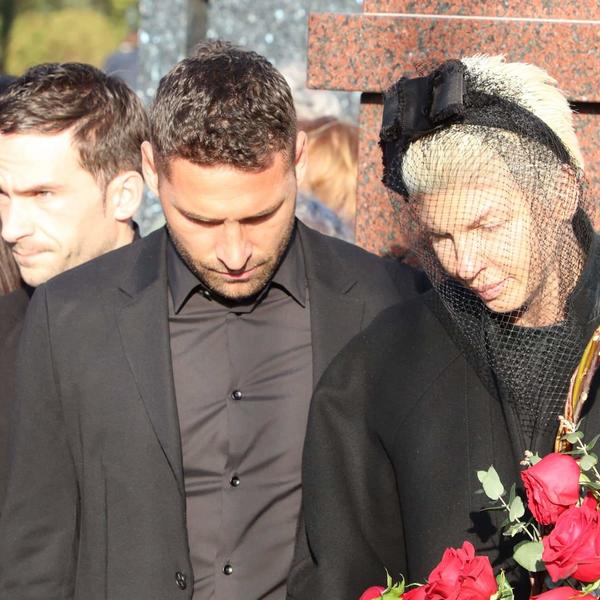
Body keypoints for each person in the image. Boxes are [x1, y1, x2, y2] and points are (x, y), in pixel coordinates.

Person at [0, 42, 424, 600]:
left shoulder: (386, 303)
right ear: (151, 169)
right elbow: (36, 553)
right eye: (200, 219)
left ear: (298, 159)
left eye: (261, 215)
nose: (234, 252)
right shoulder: (69, 317)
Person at [288, 55, 600, 599]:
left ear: (559, 191)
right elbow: (337, 579)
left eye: (487, 224)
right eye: (440, 238)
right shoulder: (379, 372)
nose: (465, 264)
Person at [0, 62, 148, 511]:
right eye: (2, 196)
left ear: (123, 195)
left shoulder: (184, 325)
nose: (11, 228)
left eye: (42, 195)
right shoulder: (7, 334)